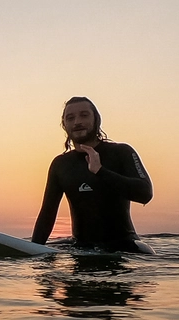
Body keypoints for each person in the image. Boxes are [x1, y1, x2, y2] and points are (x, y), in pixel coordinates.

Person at [30, 97, 153, 253]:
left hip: (124, 247)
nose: (77, 122)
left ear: (96, 119)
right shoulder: (61, 164)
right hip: (81, 248)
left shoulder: (121, 152)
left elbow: (145, 193)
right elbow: (47, 214)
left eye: (84, 115)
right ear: (64, 125)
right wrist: (32, 250)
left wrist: (100, 171)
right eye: (70, 118)